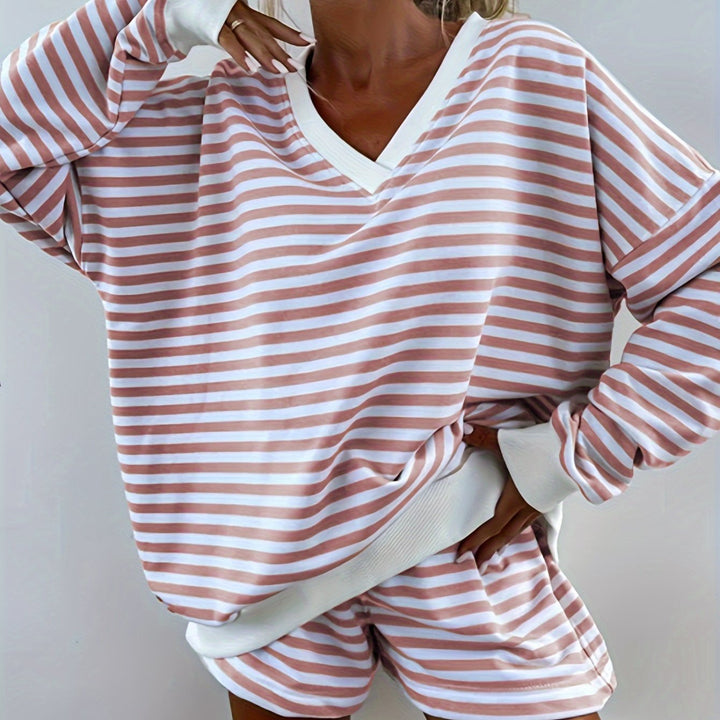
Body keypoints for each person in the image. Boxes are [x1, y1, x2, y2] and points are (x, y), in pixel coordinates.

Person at [2, 0, 718, 719]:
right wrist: (169, 13)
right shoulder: (209, 118)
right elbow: (12, 140)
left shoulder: (534, 77)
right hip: (265, 585)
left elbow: (707, 274)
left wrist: (575, 455)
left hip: (466, 543)